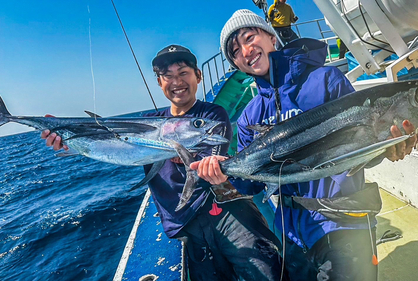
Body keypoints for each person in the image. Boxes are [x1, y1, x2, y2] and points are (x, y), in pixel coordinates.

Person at [191, 9, 418, 281]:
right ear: (236, 65)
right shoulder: (249, 117)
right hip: (291, 233)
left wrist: (387, 148)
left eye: (249, 37)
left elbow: (359, 149)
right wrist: (223, 175)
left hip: (343, 222)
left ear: (271, 37)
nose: (245, 50)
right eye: (234, 51)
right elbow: (251, 184)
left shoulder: (326, 80)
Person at [41, 44, 283, 281]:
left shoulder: (210, 116)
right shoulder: (148, 122)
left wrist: (189, 156)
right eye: (167, 76)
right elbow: (111, 146)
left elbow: (208, 158)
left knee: (269, 271)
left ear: (198, 76)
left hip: (226, 210)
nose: (176, 82)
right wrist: (69, 141)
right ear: (159, 83)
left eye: (183, 73)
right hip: (183, 223)